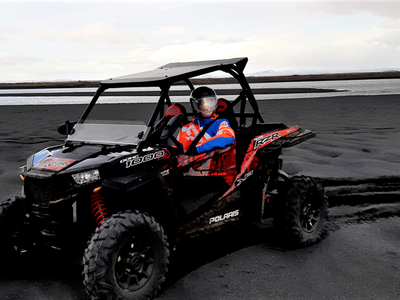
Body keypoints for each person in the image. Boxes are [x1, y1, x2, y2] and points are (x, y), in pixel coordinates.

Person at [177, 86, 235, 154]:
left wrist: (198, 149)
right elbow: (176, 149)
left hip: (208, 162)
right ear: (195, 106)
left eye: (210, 103)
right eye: (203, 103)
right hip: (185, 163)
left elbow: (228, 137)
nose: (207, 108)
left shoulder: (220, 123)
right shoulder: (185, 129)